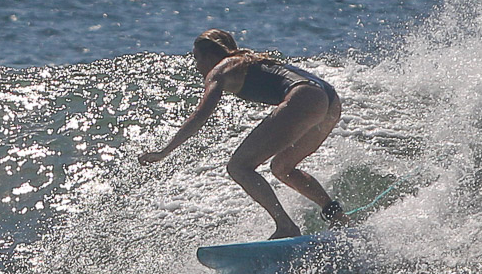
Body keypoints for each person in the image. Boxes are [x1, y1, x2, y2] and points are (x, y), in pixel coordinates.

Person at [139, 29, 350, 239]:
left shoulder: (219, 70)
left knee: (238, 167)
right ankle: (336, 215)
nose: (196, 67)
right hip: (330, 101)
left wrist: (164, 151)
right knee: (282, 167)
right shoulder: (246, 60)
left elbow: (201, 115)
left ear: (210, 56)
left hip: (304, 98)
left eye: (197, 58)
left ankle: (286, 227)